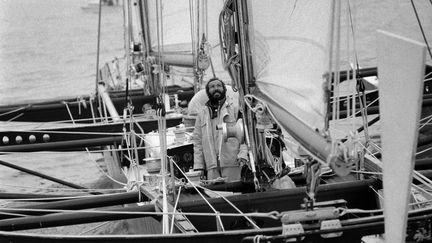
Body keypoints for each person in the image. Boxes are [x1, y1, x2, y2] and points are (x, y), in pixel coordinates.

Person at [192, 78, 248, 182]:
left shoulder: (235, 109)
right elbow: (198, 142)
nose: (216, 88)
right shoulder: (202, 114)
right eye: (212, 87)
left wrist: (243, 154)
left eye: (219, 86)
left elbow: (245, 134)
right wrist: (199, 166)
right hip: (211, 166)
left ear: (224, 89)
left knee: (235, 195)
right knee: (215, 196)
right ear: (208, 92)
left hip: (233, 163)